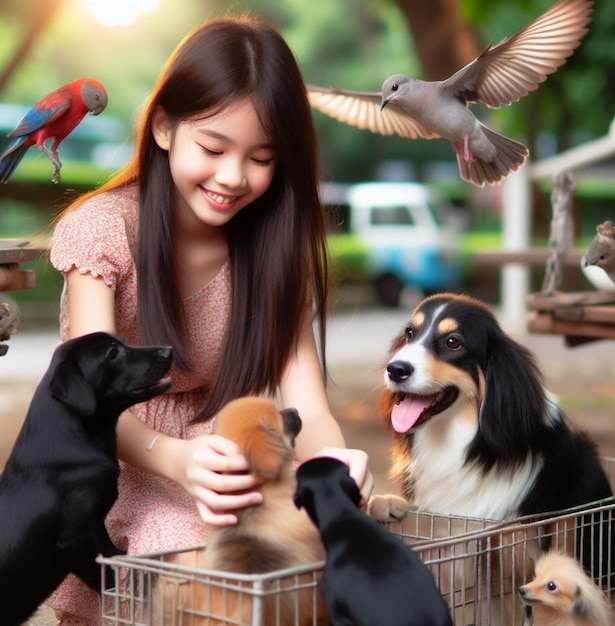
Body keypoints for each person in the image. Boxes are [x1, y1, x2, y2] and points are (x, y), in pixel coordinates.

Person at [46, 14, 373, 625]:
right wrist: (175, 460)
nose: (232, 177)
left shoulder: (273, 252)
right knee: (204, 560)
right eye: (214, 148)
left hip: (231, 470)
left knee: (340, 548)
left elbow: (313, 409)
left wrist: (334, 468)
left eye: (261, 158)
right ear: (165, 127)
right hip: (121, 465)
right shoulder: (104, 230)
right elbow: (88, 399)